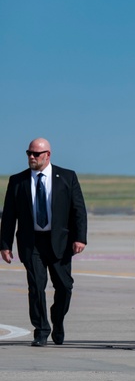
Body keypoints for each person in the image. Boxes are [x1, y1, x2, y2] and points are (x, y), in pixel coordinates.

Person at [1, 138, 87, 347]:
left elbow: (78, 210)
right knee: (36, 287)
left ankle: (57, 320)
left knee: (65, 287)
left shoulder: (67, 177)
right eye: (29, 153)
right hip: (32, 243)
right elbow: (9, 215)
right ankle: (41, 330)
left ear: (47, 155)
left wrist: (80, 238)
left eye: (36, 154)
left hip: (60, 242)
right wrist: (4, 244)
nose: (31, 157)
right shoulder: (18, 181)